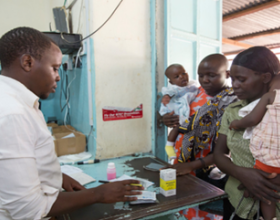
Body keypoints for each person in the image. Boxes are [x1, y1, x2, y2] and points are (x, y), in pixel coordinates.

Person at [0, 27, 143, 220]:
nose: (58, 76)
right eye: (55, 68)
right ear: (28, 62)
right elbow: (29, 210)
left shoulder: (21, 103)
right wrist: (98, 194)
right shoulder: (12, 113)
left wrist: (58, 178)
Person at [162, 54, 236, 219]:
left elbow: (228, 149)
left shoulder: (233, 103)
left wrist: (192, 166)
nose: (205, 80)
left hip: (209, 169)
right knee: (185, 208)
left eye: (212, 75)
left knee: (207, 211)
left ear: (227, 74)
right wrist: (165, 118)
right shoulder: (194, 92)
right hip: (184, 163)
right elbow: (179, 115)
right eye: (201, 75)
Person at [214, 46, 280, 220]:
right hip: (238, 201)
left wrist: (265, 183)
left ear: (265, 78)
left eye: (241, 79)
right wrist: (241, 173)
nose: (234, 85)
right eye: (232, 79)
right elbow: (219, 154)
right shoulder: (232, 112)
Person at [159, 64, 199, 160]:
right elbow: (168, 92)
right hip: (178, 108)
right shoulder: (173, 88)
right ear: (171, 81)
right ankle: (169, 145)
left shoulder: (193, 84)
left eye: (183, 73)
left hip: (186, 109)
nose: (182, 77)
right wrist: (167, 96)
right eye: (177, 77)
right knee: (177, 128)